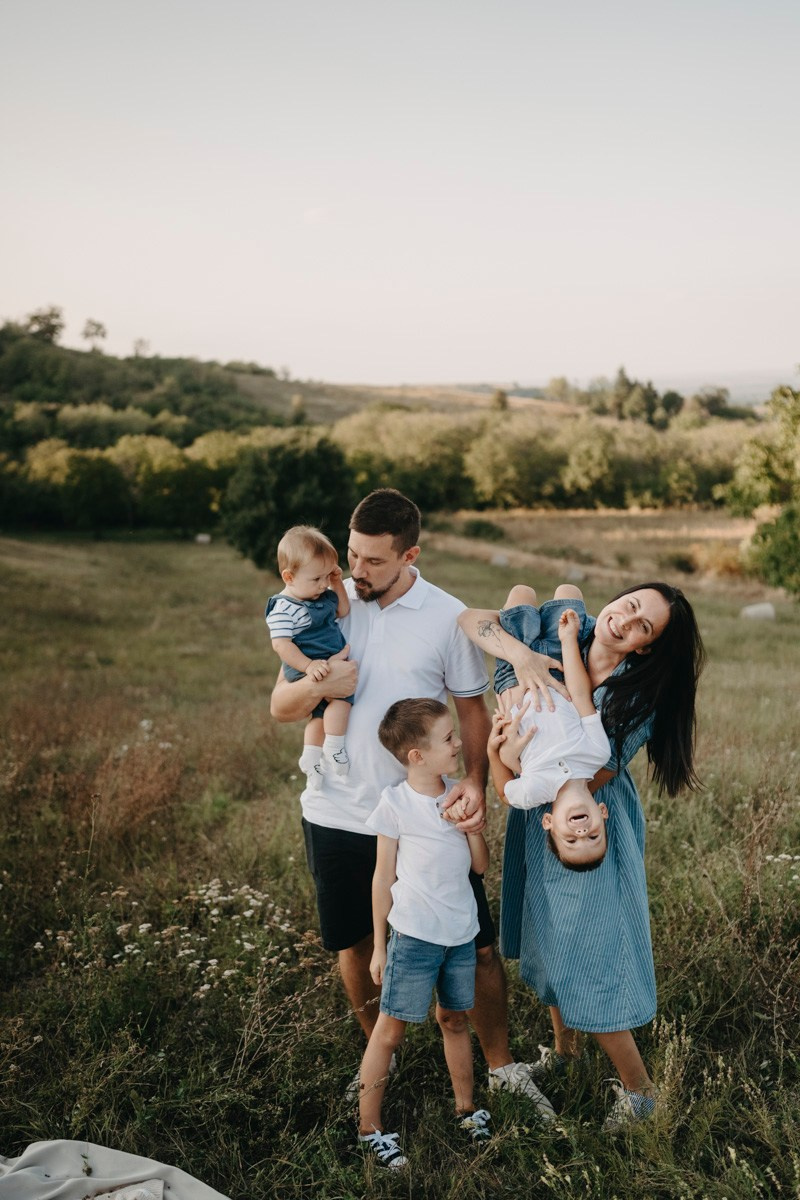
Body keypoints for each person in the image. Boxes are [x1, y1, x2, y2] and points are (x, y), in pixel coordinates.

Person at [270, 489, 556, 1117]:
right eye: (351, 554)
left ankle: (502, 1068)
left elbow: (472, 708)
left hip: (431, 813)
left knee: (476, 946)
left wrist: (474, 783)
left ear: (410, 555)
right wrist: (321, 683)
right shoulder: (323, 604)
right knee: (353, 942)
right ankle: (381, 1053)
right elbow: (281, 707)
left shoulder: (444, 615)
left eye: (373, 560)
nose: (355, 570)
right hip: (338, 811)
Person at [458, 579, 705, 1129]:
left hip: (588, 822)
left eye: (643, 627)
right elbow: (470, 619)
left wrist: (517, 760)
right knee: (551, 937)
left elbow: (595, 774)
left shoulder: (637, 691)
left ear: (646, 646)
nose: (627, 621)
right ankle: (566, 1052)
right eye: (630, 605)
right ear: (618, 597)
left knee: (588, 950)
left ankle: (641, 1094)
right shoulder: (570, 631)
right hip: (540, 814)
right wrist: (521, 659)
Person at [357, 699, 492, 1169]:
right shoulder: (395, 804)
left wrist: (472, 826)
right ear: (417, 755)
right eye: (449, 738)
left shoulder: (459, 794)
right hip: (414, 937)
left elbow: (480, 867)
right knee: (390, 1031)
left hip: (460, 933)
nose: (458, 744)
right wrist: (379, 946)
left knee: (454, 1019)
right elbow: (382, 878)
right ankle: (370, 1128)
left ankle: (466, 1110)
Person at [487, 590, 612, 870]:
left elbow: (505, 793)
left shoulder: (533, 792)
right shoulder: (597, 754)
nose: (582, 833)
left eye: (571, 840)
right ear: (602, 812)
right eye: (593, 837)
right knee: (569, 593)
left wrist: (493, 752)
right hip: (558, 669)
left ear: (548, 822)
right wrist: (568, 641)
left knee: (521, 594)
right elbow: (580, 697)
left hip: (514, 677)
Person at [265, 526, 353, 789]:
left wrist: (337, 583)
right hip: (306, 663)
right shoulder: (283, 608)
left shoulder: (322, 594)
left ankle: (311, 758)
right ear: (289, 577)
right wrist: (308, 665)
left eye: (327, 576)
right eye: (316, 579)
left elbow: (343, 610)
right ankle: (335, 746)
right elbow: (281, 645)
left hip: (323, 661)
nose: (323, 584)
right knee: (342, 700)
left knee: (320, 716)